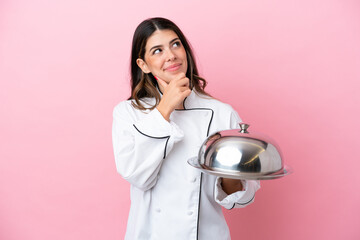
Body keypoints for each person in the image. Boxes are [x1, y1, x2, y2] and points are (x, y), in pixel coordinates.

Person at [112, 17, 260, 240]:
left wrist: (228, 170)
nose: (171, 55)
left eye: (175, 44)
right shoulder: (128, 112)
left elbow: (241, 198)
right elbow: (137, 175)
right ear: (143, 64)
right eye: (157, 50)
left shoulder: (221, 113)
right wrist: (165, 108)